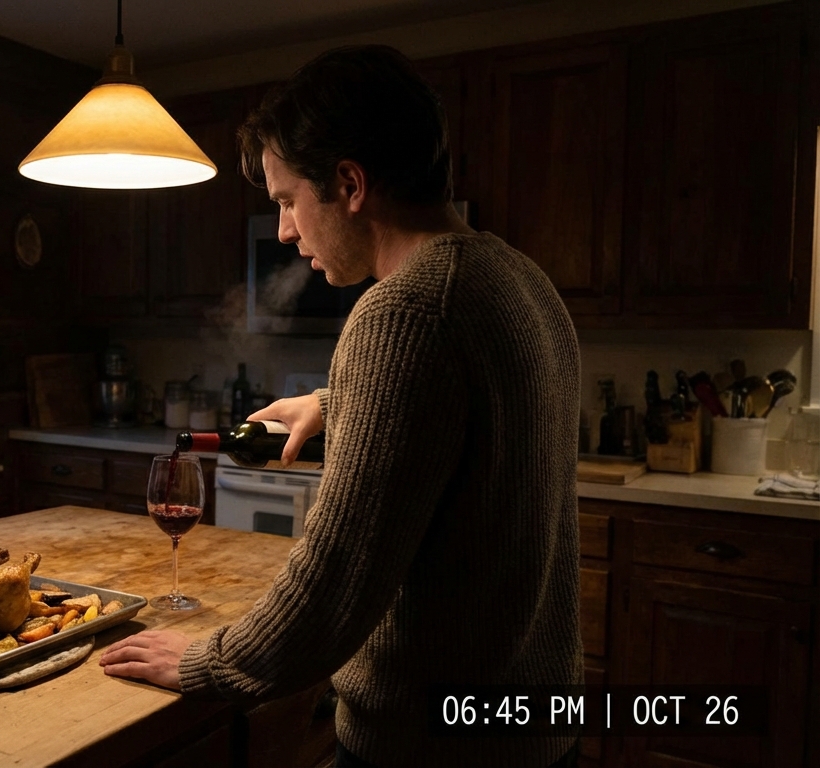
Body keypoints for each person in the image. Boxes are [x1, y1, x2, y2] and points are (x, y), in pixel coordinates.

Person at [98, 45, 582, 768]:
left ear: (351, 184)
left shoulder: (404, 312)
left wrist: (205, 662)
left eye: (289, 200)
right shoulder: (519, 279)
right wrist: (339, 400)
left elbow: (336, 581)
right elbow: (474, 411)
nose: (287, 231)